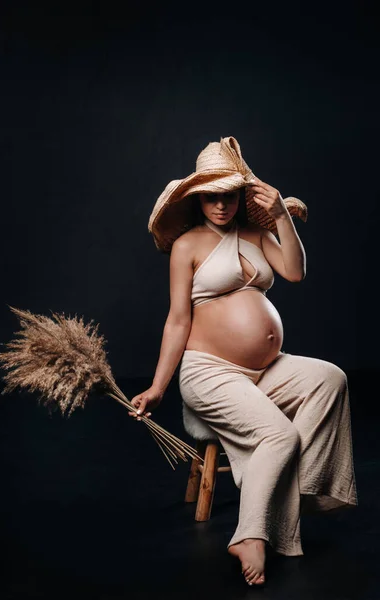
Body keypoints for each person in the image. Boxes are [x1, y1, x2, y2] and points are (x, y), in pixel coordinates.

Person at [128, 136, 358, 587]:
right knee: (279, 435)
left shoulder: (256, 232)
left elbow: (294, 271)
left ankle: (299, 491)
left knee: (330, 379)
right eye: (211, 196)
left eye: (228, 195)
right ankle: (248, 534)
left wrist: (278, 216)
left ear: (240, 194)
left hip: (265, 369)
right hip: (209, 371)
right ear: (197, 197)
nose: (220, 205)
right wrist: (158, 386)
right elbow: (177, 321)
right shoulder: (187, 246)